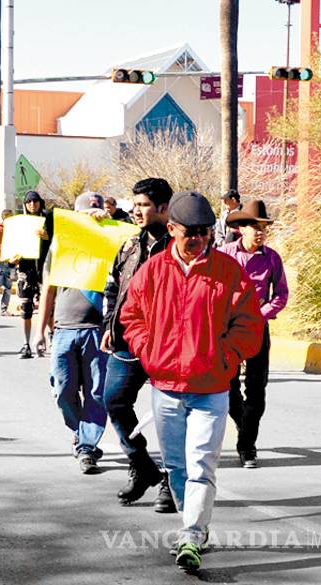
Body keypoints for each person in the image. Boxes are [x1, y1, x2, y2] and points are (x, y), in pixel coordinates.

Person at [119, 191, 263, 572]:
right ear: (172, 229)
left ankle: (192, 534)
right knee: (177, 467)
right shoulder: (153, 271)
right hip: (165, 389)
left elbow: (250, 325)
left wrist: (226, 357)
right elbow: (131, 316)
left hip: (211, 390)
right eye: (190, 231)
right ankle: (193, 523)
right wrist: (148, 351)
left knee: (201, 464)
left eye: (204, 231)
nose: (198, 238)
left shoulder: (229, 272)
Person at [100, 178, 176, 512]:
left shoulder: (178, 247)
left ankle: (173, 482)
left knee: (171, 414)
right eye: (135, 204)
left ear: (163, 208)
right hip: (127, 340)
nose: (136, 210)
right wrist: (109, 325)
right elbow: (112, 288)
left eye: (143, 205)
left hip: (167, 344)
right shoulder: (129, 246)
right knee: (114, 400)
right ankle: (142, 465)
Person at [34, 193, 109, 474]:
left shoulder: (111, 244)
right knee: (63, 390)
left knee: (96, 393)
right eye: (85, 214)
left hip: (97, 330)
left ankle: (86, 447)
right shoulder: (61, 245)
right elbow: (48, 290)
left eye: (96, 213)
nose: (91, 218)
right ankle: (81, 432)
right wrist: (40, 330)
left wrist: (109, 224)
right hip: (64, 328)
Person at [220, 200, 289, 469]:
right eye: (254, 226)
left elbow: (281, 295)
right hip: (228, 330)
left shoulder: (272, 258)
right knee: (228, 388)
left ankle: (247, 445)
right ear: (241, 229)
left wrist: (260, 315)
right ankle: (243, 423)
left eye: (263, 227)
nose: (260, 232)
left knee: (257, 389)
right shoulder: (224, 255)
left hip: (258, 328)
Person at [15, 191, 49, 358]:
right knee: (26, 307)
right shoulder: (20, 223)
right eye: (29, 202)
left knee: (49, 307)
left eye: (35, 201)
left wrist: (47, 237)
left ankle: (52, 340)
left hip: (45, 270)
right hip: (26, 271)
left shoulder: (49, 220)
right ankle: (26, 344)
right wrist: (12, 259)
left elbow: (59, 241)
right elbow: (12, 246)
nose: (32, 204)